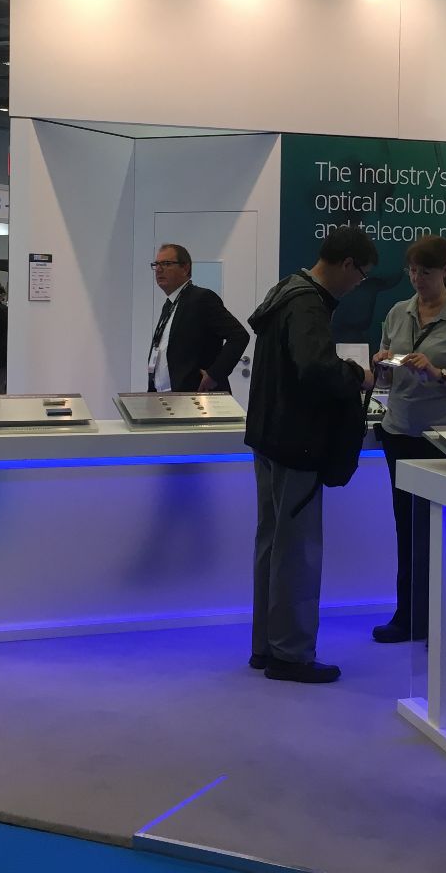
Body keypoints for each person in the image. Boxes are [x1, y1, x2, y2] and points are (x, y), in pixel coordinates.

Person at [244, 226, 378, 684]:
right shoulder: (307, 303)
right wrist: (358, 376)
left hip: (269, 438)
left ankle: (266, 645)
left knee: (271, 543)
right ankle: (291, 653)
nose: (358, 284)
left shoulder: (285, 290)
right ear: (347, 264)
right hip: (296, 442)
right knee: (297, 550)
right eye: (361, 275)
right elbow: (316, 368)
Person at [370, 234, 446, 644]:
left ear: (445, 271)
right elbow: (386, 380)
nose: (417, 279)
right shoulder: (397, 312)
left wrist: (438, 374)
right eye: (412, 271)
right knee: (407, 528)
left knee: (443, 532)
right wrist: (382, 366)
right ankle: (408, 615)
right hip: (401, 433)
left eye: (425, 272)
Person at [146, 244, 250, 393]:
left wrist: (214, 374)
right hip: (165, 397)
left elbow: (239, 336)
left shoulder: (201, 299)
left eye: (167, 264)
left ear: (185, 268)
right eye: (156, 264)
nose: (159, 269)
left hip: (197, 396)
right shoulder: (169, 305)